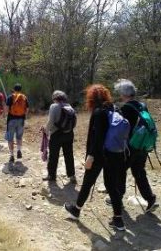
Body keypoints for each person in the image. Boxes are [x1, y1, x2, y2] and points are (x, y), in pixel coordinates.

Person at [64, 84, 126, 231]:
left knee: (87, 182)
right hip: (115, 153)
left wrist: (90, 156)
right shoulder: (114, 108)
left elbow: (97, 138)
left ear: (91, 98)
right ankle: (118, 220)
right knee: (111, 186)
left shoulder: (99, 112)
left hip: (99, 154)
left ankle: (76, 210)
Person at [108, 79, 159, 213]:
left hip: (131, 146)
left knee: (120, 170)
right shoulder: (142, 105)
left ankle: (117, 198)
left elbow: (124, 129)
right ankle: (150, 198)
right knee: (139, 171)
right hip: (143, 145)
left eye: (119, 92)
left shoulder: (127, 108)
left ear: (123, 93)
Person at [42, 90, 77, 184]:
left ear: (55, 98)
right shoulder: (69, 106)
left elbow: (51, 121)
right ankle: (72, 176)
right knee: (69, 155)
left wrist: (45, 129)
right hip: (69, 134)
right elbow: (74, 122)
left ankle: (51, 176)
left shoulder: (54, 106)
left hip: (56, 135)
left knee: (53, 155)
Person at [5, 83, 29, 166]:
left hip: (11, 120)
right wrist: (24, 117)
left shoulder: (10, 97)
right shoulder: (24, 97)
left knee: (10, 138)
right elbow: (27, 109)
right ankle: (19, 150)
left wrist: (6, 115)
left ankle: (11, 155)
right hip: (21, 120)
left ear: (14, 89)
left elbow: (7, 109)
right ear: (20, 89)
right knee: (19, 137)